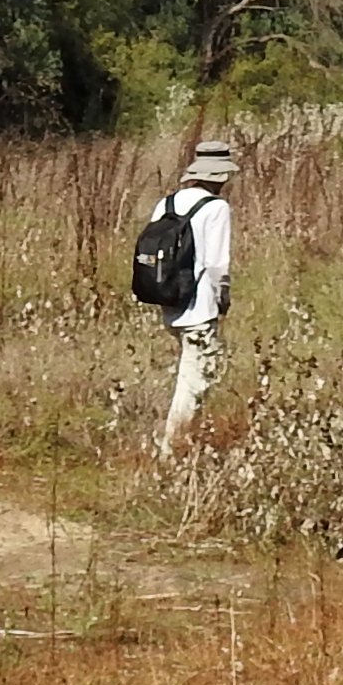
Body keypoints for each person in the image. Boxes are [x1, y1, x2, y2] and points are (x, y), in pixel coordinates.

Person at [148, 137, 236, 455]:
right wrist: (222, 297)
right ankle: (172, 449)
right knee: (195, 381)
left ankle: (179, 441)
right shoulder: (216, 208)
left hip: (170, 302)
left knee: (191, 371)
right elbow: (216, 264)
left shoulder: (167, 203)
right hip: (200, 308)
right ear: (221, 176)